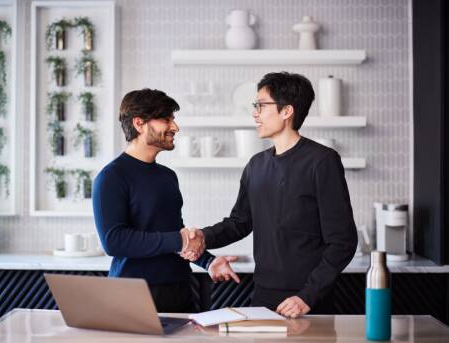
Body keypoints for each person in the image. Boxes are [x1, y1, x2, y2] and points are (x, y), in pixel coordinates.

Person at [181, 72, 358, 318]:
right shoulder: (256, 165)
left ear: (287, 111)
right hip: (263, 294)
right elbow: (239, 223)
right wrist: (203, 236)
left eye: (261, 106)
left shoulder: (322, 161)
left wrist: (308, 296)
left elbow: (343, 242)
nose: (255, 113)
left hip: (308, 299)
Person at [92, 88, 239, 313]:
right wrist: (181, 241)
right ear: (139, 123)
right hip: (132, 293)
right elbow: (114, 241)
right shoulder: (111, 177)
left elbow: (172, 233)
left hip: (180, 289)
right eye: (166, 119)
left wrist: (208, 261)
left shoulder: (167, 176)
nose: (175, 127)